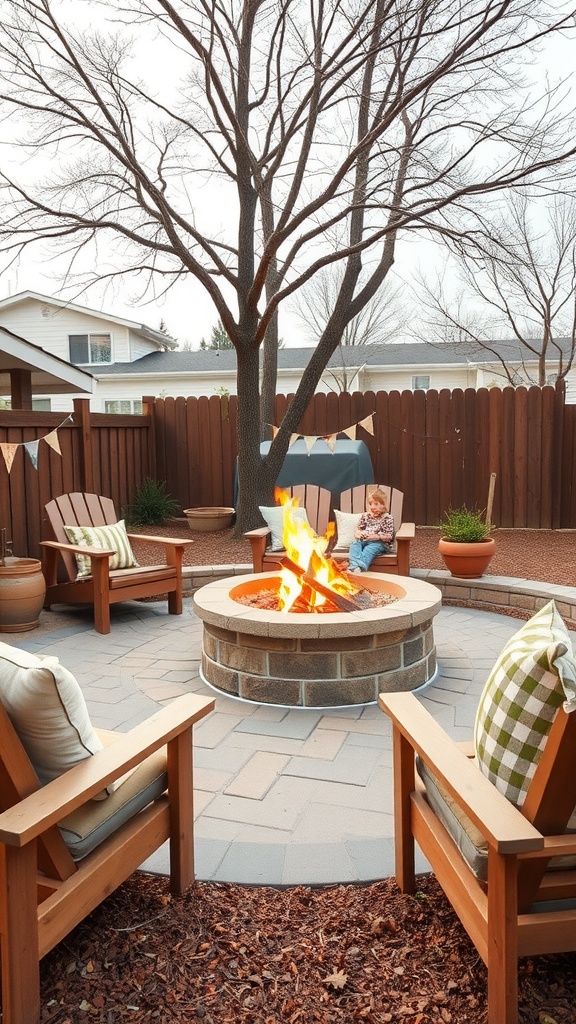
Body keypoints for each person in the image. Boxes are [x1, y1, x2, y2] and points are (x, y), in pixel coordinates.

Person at [348, 488, 395, 573]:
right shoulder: (366, 516)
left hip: (380, 543)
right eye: (370, 504)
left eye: (376, 504)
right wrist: (359, 535)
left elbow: (389, 537)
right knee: (354, 544)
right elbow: (358, 530)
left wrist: (375, 537)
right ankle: (355, 567)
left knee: (370, 549)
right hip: (364, 540)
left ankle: (357, 567)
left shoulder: (387, 518)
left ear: (383, 505)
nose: (373, 507)